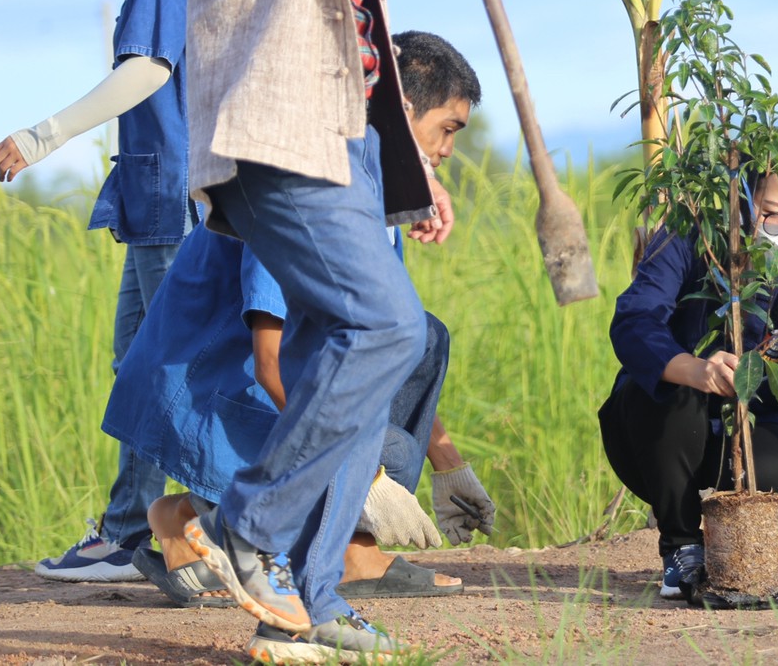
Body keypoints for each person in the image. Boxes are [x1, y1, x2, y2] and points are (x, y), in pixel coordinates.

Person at [181, 0, 455, 661]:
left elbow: (362, 43)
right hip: (270, 138)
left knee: (353, 355)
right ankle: (251, 524)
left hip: (339, 143)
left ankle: (311, 596)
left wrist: (409, 178)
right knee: (388, 327)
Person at [101, 30, 494, 609]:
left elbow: (383, 343)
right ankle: (226, 524)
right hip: (211, 393)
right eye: (447, 129)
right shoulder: (307, 181)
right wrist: (370, 480)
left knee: (423, 336)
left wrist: (450, 465)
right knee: (386, 454)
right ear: (403, 109)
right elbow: (270, 362)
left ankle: (209, 523)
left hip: (254, 389)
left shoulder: (370, 194)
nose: (447, 151)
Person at [0, 0, 200, 581]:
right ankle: (128, 534)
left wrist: (41, 138)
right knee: (140, 363)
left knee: (168, 366)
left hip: (172, 195)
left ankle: (205, 529)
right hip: (154, 194)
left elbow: (147, 72)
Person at [598, 135, 778, 601]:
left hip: (748, 449)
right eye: (772, 214)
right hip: (656, 438)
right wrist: (693, 369)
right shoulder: (691, 237)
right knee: (671, 396)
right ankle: (681, 546)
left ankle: (735, 548)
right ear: (746, 200)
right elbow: (633, 320)